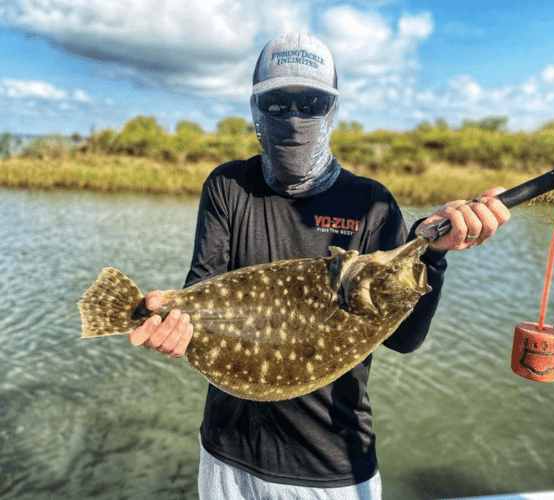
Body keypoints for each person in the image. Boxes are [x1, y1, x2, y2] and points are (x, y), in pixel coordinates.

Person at [128, 33, 510, 500]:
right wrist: (171, 324)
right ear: (255, 109)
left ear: (332, 109)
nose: (294, 117)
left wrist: (431, 253)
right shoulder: (228, 185)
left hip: (332, 466)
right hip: (226, 452)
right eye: (277, 104)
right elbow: (202, 291)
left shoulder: (373, 204)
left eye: (310, 102)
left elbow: (405, 339)